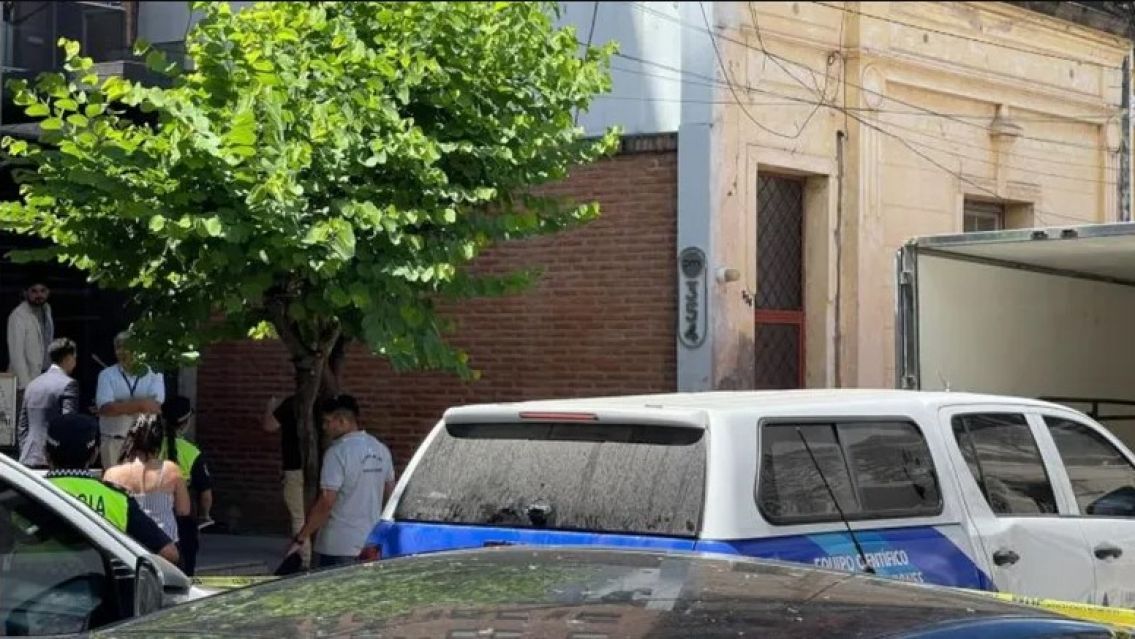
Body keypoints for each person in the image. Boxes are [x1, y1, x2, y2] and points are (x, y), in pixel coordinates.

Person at [43, 412, 179, 564]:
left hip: (31, 583)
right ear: (94, 454)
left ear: (46, 453)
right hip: (94, 584)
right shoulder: (118, 500)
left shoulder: (25, 491)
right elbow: (169, 553)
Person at [285, 394, 395, 569]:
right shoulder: (381, 449)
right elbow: (391, 493)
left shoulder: (337, 453)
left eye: (328, 422)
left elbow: (327, 501)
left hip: (337, 545)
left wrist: (301, 537)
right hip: (370, 543)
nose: (324, 427)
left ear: (343, 421)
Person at [103, 414, 190, 560]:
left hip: (127, 548)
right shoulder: (171, 470)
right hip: (166, 548)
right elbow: (184, 510)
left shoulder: (112, 474)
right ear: (159, 442)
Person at [262, 393, 322, 569]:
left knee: (299, 515)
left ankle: (304, 559)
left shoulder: (292, 403)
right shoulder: (325, 402)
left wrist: (270, 406)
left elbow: (269, 425)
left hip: (294, 467)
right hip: (320, 467)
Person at [159, 396, 213, 576]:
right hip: (185, 523)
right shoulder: (192, 452)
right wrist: (205, 516)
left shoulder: (149, 448)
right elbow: (205, 494)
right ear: (185, 422)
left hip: (154, 519)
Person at [96, 331, 164, 468]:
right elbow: (106, 409)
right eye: (118, 347)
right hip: (114, 443)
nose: (122, 352)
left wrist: (120, 406)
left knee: (143, 488)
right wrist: (141, 404)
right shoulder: (106, 375)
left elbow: (154, 406)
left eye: (127, 347)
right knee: (112, 487)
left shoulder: (154, 373)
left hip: (144, 446)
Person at [17, 337, 79, 468]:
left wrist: (26, 450)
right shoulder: (69, 384)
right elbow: (68, 424)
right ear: (68, 358)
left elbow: (23, 426)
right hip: (53, 459)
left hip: (28, 457)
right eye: (74, 357)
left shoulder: (32, 384)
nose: (75, 362)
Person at [6, 277, 54, 394]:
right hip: (25, 381)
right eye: (34, 291)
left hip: (44, 374)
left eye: (43, 291)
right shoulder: (18, 315)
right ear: (25, 292)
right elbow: (16, 354)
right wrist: (26, 385)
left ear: (48, 292)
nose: (39, 295)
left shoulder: (47, 309)